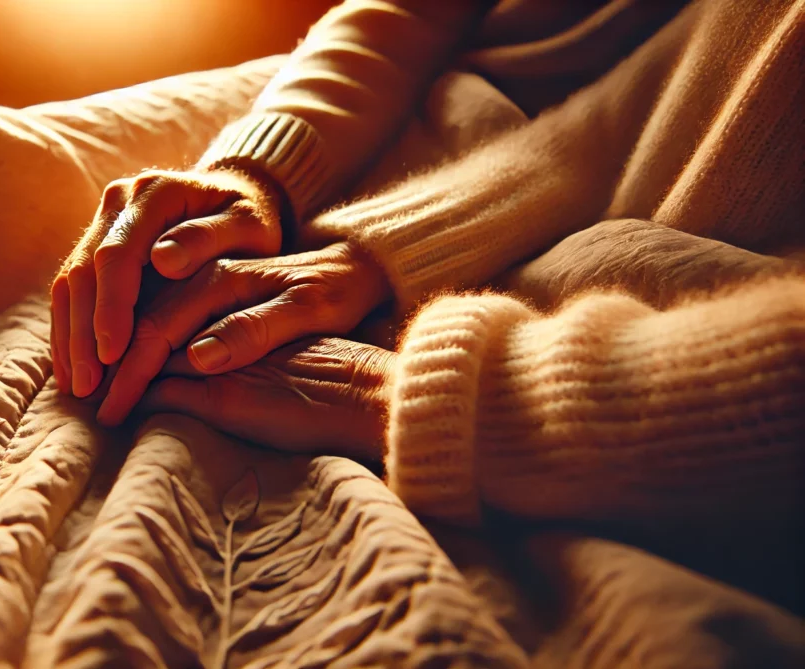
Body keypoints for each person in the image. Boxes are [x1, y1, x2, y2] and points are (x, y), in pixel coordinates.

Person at [50, 0, 803, 530]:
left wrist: (451, 403)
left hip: (637, 321)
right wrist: (262, 172)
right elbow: (417, 11)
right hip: (402, 136)